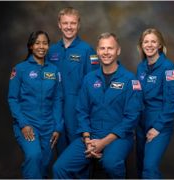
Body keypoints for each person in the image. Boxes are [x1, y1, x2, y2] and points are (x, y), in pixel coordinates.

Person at [53, 32, 143, 179]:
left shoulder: (130, 80)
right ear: (97, 51)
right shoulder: (89, 79)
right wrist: (87, 139)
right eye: (102, 48)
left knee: (110, 163)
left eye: (110, 48)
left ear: (118, 50)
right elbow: (82, 111)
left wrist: (103, 142)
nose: (106, 52)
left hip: (118, 137)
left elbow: (131, 118)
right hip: (91, 136)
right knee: (60, 167)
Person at [8, 31, 63, 179]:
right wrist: (23, 124)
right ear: (31, 46)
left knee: (44, 163)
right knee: (34, 156)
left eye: (45, 43)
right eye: (37, 43)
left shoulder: (54, 70)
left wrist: (58, 126)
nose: (41, 46)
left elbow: (57, 99)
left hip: (48, 126)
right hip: (27, 124)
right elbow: (13, 99)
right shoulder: (20, 69)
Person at [46, 7, 100, 153]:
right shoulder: (51, 51)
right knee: (60, 151)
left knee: (79, 153)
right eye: (65, 23)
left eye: (73, 23)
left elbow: (94, 86)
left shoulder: (87, 51)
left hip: (77, 110)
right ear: (59, 24)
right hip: (55, 110)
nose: (69, 27)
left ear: (78, 25)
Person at [136, 28, 174, 179]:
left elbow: (172, 101)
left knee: (149, 168)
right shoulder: (141, 67)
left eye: (153, 41)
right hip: (141, 124)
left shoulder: (168, 68)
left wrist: (158, 127)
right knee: (141, 167)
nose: (149, 45)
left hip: (159, 124)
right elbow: (138, 97)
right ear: (141, 45)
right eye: (146, 42)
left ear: (160, 45)